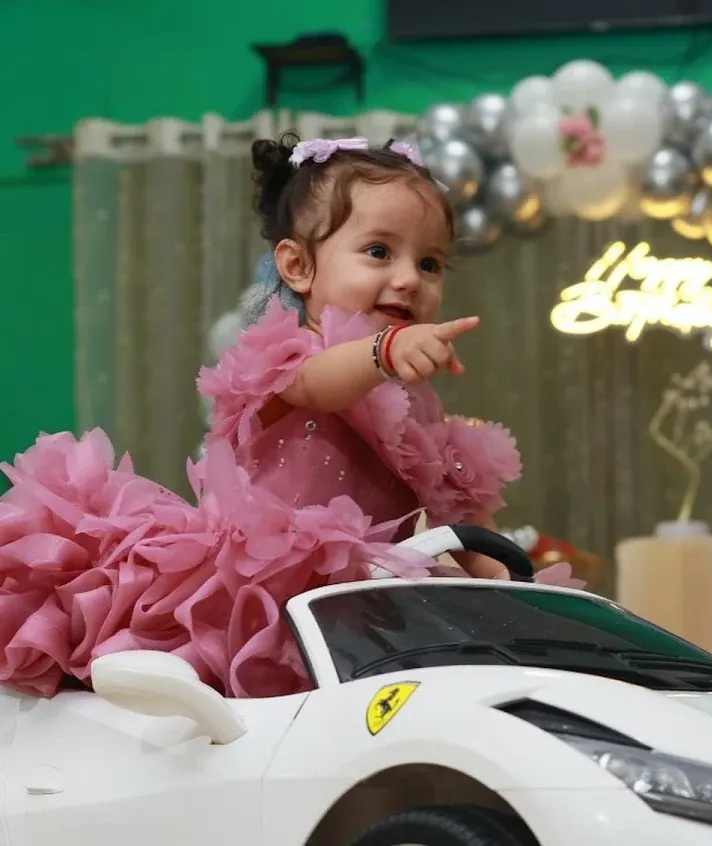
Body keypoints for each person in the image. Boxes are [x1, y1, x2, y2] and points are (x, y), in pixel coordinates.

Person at [0, 134, 578, 700]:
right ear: (298, 266)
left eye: (429, 263)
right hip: (261, 592)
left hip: (363, 606)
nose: (408, 278)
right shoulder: (287, 356)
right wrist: (383, 352)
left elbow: (459, 513)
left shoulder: (417, 401)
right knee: (236, 702)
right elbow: (320, 385)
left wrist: (510, 589)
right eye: (379, 252)